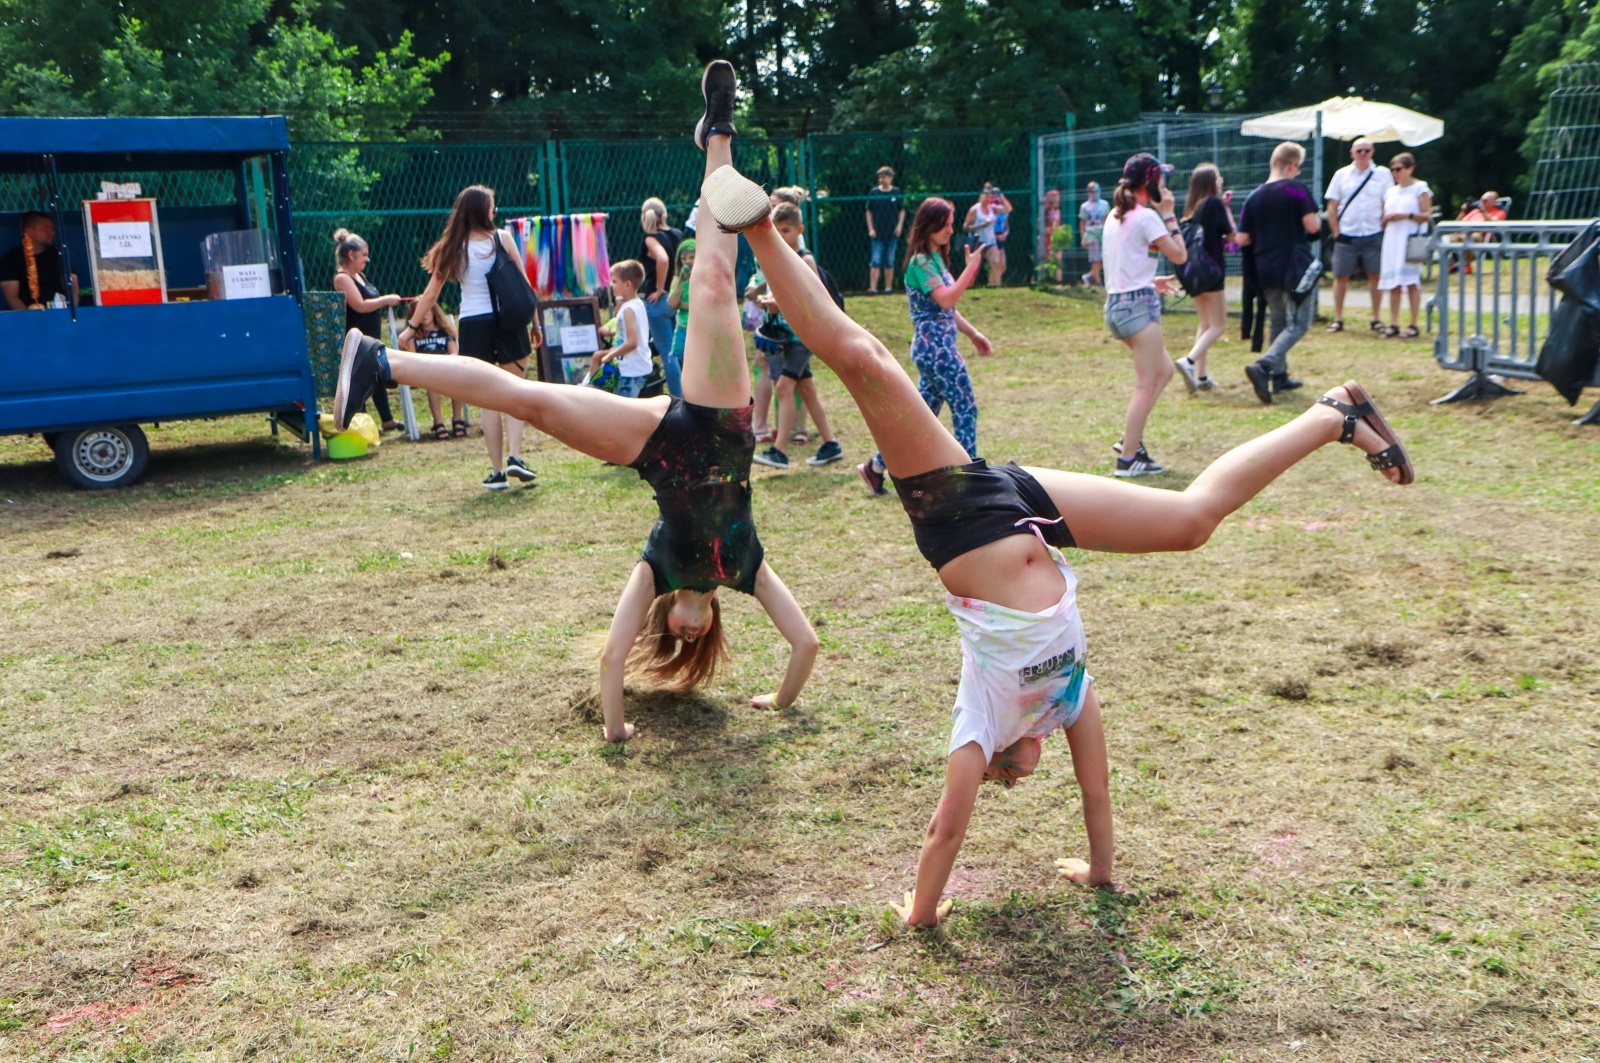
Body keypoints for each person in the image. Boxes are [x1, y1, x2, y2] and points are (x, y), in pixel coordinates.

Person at [700, 149, 1414, 928]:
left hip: (963, 517)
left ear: (1002, 762)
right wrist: (1100, 871)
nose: (1021, 778)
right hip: (1027, 507)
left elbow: (945, 830)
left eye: (1011, 779)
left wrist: (921, 913)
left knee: (864, 361)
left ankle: (760, 227)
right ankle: (1332, 416)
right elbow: (1098, 791)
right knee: (1190, 520)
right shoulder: (1065, 698)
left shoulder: (985, 722)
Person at [333, 61, 817, 743]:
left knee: (532, 402)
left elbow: (615, 658)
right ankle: (719, 135)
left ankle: (379, 360)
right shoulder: (746, 567)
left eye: (674, 635)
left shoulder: (658, 570)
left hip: (657, 444)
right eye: (694, 634)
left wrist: (617, 731)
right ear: (711, 625)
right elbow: (805, 645)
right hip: (721, 420)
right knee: (711, 279)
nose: (684, 627)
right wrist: (781, 699)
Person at [403, 186, 541, 490]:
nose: (495, 211)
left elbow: (431, 294)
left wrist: (411, 328)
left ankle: (496, 472)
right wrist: (536, 323)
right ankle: (516, 457)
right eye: (492, 206)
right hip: (509, 321)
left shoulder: (452, 246)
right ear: (482, 210)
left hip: (473, 324)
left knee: (488, 399)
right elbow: (523, 284)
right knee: (516, 391)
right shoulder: (502, 239)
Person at [856, 196, 991, 495]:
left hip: (934, 349)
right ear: (928, 225)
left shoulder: (933, 260)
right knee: (966, 408)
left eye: (951, 224)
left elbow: (946, 308)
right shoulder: (920, 262)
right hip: (937, 352)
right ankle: (970, 480)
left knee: (919, 420)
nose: (949, 230)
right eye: (944, 224)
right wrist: (971, 268)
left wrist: (973, 334)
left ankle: (875, 468)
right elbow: (946, 298)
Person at [1100, 153, 1186, 477]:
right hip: (1137, 307)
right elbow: (1180, 254)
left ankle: (1130, 442)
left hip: (1118, 305)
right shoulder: (1148, 216)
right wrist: (1170, 215)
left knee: (1164, 371)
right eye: (1160, 178)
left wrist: (1151, 281)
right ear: (1150, 183)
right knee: (1146, 383)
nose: (1164, 184)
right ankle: (1127, 459)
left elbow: (1123, 264)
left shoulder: (1115, 215)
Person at [748, 202, 842, 470]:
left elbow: (815, 298)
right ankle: (831, 444)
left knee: (784, 387)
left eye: (786, 231)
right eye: (777, 231)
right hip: (788, 335)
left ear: (799, 230)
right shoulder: (780, 256)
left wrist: (781, 303)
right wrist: (770, 299)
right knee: (807, 389)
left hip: (804, 335)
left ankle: (780, 451)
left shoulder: (805, 258)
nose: (782, 236)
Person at [1236, 142, 1321, 405]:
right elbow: (1312, 225)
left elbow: (1241, 238)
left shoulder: (1254, 196)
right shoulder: (1296, 190)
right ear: (1292, 165)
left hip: (1265, 267)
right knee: (1300, 323)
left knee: (1279, 320)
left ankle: (1279, 376)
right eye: (1298, 167)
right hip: (1294, 265)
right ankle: (1265, 365)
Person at [330, 229, 406, 432]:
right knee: (359, 378)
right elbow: (360, 305)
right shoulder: (342, 278)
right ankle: (357, 422)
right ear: (351, 255)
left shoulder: (359, 275)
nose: (367, 259)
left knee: (378, 372)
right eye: (363, 254)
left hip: (371, 334)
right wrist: (385, 300)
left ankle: (387, 419)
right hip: (357, 338)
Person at [1323, 138, 1394, 334]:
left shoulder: (1383, 174)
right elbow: (1332, 206)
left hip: (1373, 232)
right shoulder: (1341, 174)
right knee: (1340, 276)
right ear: (1352, 153)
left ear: (1373, 152)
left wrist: (1383, 227)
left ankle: (1376, 318)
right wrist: (1336, 232)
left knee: (1376, 276)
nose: (1363, 153)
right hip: (1347, 233)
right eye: (1359, 150)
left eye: (1366, 150)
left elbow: (1389, 201)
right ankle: (1338, 318)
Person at [1174, 163, 1233, 391]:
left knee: (1205, 323)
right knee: (1218, 325)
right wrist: (1227, 208)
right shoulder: (1214, 203)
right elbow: (1232, 235)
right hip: (1212, 270)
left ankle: (1201, 376)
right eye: (1218, 177)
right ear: (1211, 182)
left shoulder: (1191, 210)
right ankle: (1189, 361)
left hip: (1194, 272)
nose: (1221, 181)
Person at [1377, 153, 1433, 339]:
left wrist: (1406, 215)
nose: (1395, 173)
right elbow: (1383, 217)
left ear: (1410, 169)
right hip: (1392, 239)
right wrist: (1386, 219)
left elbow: (1427, 214)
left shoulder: (1420, 188)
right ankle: (1393, 323)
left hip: (1409, 239)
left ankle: (1413, 323)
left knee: (1411, 282)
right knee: (1394, 283)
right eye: (1393, 169)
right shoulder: (1391, 191)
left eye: (1399, 169)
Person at [588, 260, 655, 398]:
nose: (611, 285)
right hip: (632, 367)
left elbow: (632, 342)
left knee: (625, 413)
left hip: (632, 372)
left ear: (627, 284)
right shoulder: (637, 304)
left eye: (614, 281)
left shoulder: (629, 310)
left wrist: (610, 356)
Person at [396, 305, 464, 439]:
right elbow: (412, 358)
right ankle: (438, 422)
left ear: (434, 312)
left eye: (428, 311)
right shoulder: (413, 336)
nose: (425, 315)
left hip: (446, 367)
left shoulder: (445, 332)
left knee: (458, 378)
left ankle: (457, 419)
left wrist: (444, 364)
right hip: (424, 370)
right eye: (420, 312)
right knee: (433, 381)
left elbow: (454, 353)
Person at [640, 197, 684, 365]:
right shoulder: (678, 234)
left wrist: (659, 288)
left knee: (668, 353)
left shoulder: (651, 238)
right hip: (679, 297)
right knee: (681, 350)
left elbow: (663, 259)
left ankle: (676, 392)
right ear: (664, 214)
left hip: (659, 299)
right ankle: (689, 390)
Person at [1, 212, 75, 310]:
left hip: (58, 313)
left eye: (52, 229)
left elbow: (73, 289)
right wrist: (30, 318)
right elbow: (12, 297)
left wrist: (67, 315)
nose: (51, 232)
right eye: (45, 229)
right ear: (28, 231)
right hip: (27, 316)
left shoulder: (59, 256)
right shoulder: (11, 259)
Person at [866, 165, 905, 295]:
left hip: (892, 232)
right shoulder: (874, 193)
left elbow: (902, 210)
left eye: (884, 177)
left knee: (890, 260)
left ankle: (888, 288)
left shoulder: (896, 192)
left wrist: (899, 226)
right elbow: (869, 211)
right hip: (877, 233)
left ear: (891, 178)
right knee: (875, 260)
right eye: (880, 177)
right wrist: (871, 228)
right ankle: (873, 287)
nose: (882, 180)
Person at [963, 183, 1011, 288]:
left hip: (990, 242)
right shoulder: (975, 210)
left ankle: (995, 287)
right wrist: (982, 225)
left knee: (996, 263)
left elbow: (1008, 209)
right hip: (977, 242)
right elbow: (965, 227)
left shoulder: (992, 208)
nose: (988, 197)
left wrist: (1000, 194)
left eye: (990, 195)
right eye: (985, 195)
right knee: (973, 270)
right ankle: (968, 288)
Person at [664, 237, 695, 397]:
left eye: (691, 257)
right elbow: (671, 303)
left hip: (699, 330)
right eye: (683, 258)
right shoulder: (678, 279)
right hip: (683, 329)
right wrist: (682, 281)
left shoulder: (703, 277)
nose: (687, 262)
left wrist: (683, 305)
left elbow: (701, 305)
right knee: (685, 368)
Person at [1079, 182, 1109, 287]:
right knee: (1095, 259)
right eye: (1091, 191)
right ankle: (1098, 282)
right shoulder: (1084, 206)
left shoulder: (1105, 204)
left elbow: (1106, 220)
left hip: (1103, 234)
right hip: (1091, 234)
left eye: (1095, 190)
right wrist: (1083, 237)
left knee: (1106, 258)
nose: (1094, 193)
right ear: (1088, 193)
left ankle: (1090, 276)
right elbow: (1082, 223)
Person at [1040, 188, 1063, 281]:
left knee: (1058, 260)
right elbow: (1040, 227)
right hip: (1045, 239)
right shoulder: (1044, 212)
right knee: (1043, 260)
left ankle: (1059, 282)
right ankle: (1040, 280)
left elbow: (1058, 225)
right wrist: (1050, 230)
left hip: (1055, 239)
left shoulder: (1058, 212)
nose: (1057, 201)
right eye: (1055, 199)